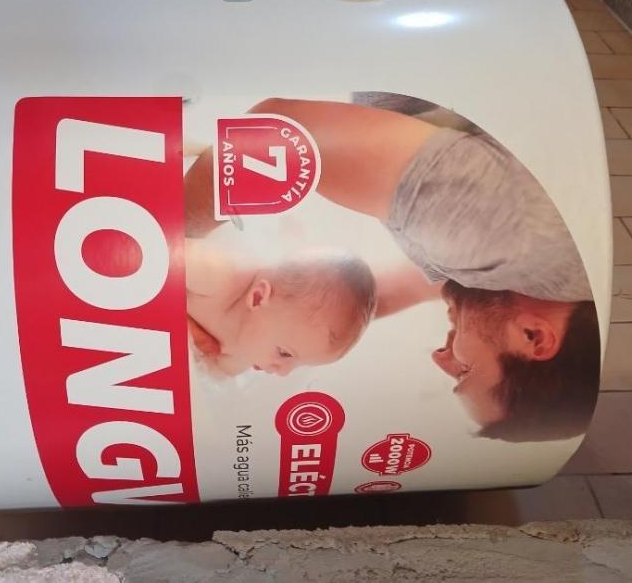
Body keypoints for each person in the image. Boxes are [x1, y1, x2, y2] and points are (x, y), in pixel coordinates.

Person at [184, 97, 599, 441]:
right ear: (533, 337)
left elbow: (359, 299)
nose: (441, 358)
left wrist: (248, 338)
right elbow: (277, 135)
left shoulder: (518, 284)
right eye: (464, 371)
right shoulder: (502, 233)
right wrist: (167, 249)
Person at [185, 238, 376, 378]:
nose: (283, 372)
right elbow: (168, 251)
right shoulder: (221, 275)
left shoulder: (246, 351)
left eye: (298, 365)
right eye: (285, 353)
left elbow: (212, 373)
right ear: (258, 298)